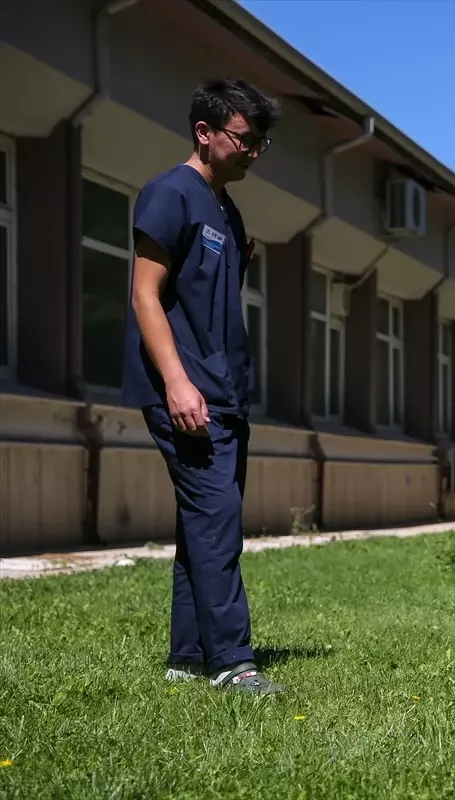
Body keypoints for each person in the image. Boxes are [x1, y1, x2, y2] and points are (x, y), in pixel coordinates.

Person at [122, 79, 284, 695]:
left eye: (261, 141)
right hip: (187, 393)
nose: (254, 153)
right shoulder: (171, 193)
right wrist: (178, 384)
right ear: (205, 133)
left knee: (205, 525)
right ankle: (234, 664)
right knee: (217, 522)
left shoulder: (223, 206)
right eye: (246, 139)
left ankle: (190, 657)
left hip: (223, 390)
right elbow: (144, 295)